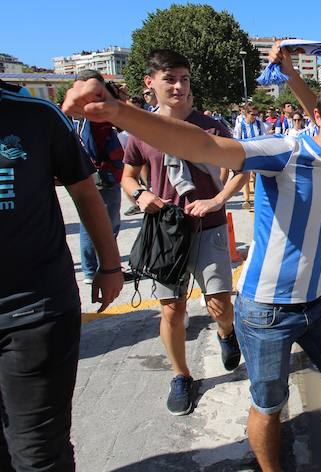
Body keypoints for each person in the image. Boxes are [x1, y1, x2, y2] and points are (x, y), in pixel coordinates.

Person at [62, 59, 321, 471]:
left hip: (318, 302)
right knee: (269, 406)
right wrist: (121, 112)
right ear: (317, 116)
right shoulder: (284, 151)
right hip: (265, 310)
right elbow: (204, 147)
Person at [1, 79, 123, 470]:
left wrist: (109, 266)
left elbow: (86, 193)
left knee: (37, 452)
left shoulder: (35, 115)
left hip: (34, 310)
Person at [120, 49, 247, 416]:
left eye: (184, 79)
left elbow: (240, 169)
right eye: (169, 79)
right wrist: (141, 194)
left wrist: (218, 200)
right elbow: (128, 175)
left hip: (208, 226)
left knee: (220, 305)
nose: (178, 86)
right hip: (167, 233)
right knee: (172, 310)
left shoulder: (211, 127)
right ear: (150, 83)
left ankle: (227, 332)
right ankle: (180, 376)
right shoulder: (141, 130)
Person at [75, 70, 126, 286]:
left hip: (91, 173)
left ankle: (91, 267)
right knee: (103, 223)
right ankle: (98, 266)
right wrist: (110, 162)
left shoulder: (78, 114)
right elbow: (96, 147)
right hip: (103, 175)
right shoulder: (94, 117)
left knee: (89, 222)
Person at [233, 104, 268, 209]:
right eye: (252, 114)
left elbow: (264, 137)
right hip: (245, 153)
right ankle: (246, 199)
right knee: (245, 177)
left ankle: (257, 198)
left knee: (256, 176)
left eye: (256, 114)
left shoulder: (259, 124)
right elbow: (236, 140)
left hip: (257, 153)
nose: (254, 117)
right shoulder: (240, 125)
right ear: (246, 114)